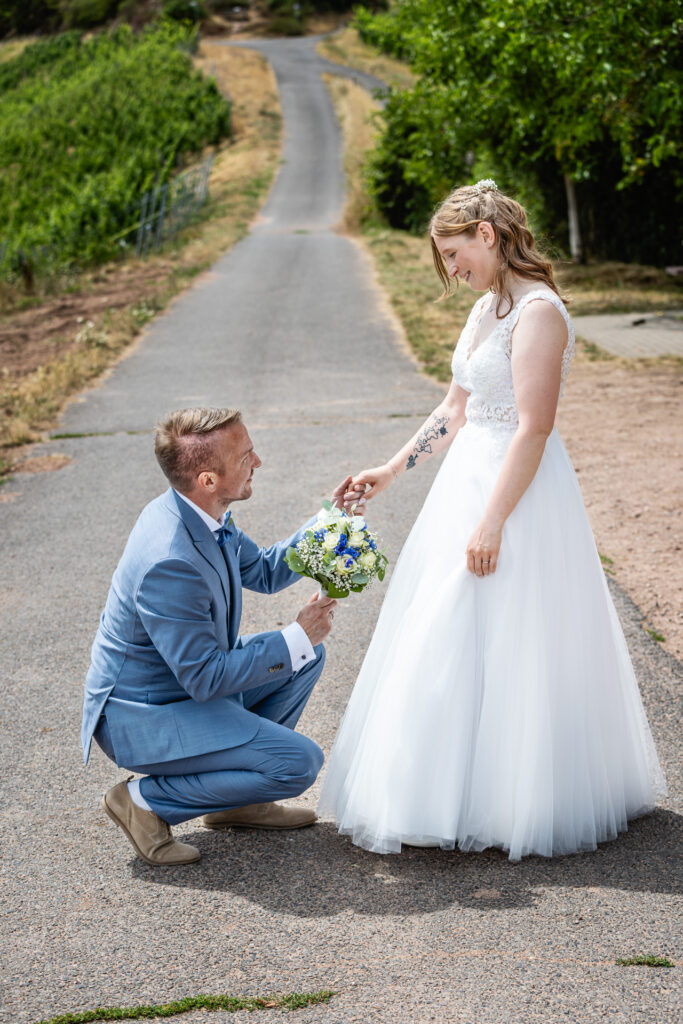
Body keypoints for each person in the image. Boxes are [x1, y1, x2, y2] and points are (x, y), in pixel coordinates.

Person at [318, 180, 667, 860]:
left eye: (454, 254)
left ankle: (511, 799)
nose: (452, 270)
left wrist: (492, 522)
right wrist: (391, 469)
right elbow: (455, 409)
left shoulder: (538, 313)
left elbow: (533, 428)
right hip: (464, 480)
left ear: (487, 234)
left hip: (515, 494)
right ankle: (443, 791)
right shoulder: (486, 308)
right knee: (450, 630)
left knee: (509, 634)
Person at [82, 406, 349, 866]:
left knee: (305, 656)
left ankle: (236, 801)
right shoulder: (171, 560)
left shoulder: (199, 511)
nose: (258, 462)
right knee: (298, 762)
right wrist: (297, 634)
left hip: (184, 687)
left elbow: (263, 570)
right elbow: (205, 678)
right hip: (145, 716)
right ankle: (142, 802)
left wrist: (331, 521)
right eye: (246, 457)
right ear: (208, 479)